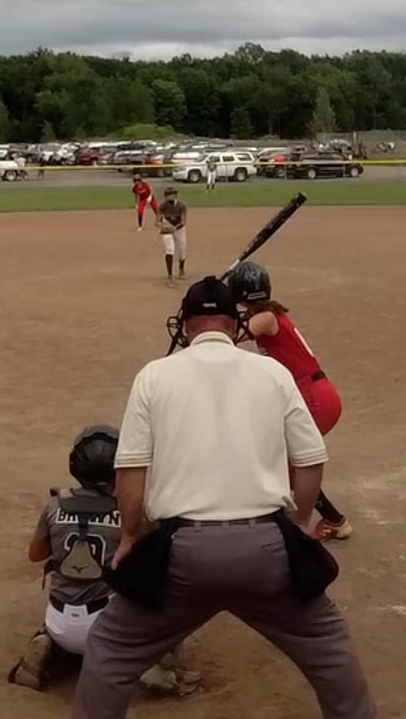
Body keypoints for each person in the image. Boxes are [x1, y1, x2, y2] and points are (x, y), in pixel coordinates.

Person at [70, 277, 377, 719]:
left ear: (186, 325)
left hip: (182, 555)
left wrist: (132, 536)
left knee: (111, 648)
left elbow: (130, 472)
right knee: (328, 646)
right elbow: (311, 460)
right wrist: (296, 525)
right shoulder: (273, 372)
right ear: (235, 326)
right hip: (267, 550)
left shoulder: (154, 374)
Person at [8, 425, 200, 697]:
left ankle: (48, 643)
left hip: (58, 621)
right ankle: (152, 661)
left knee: (68, 610)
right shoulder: (129, 513)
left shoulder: (54, 506)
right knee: (161, 588)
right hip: (108, 626)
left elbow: (35, 555)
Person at [230, 260, 352, 541]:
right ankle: (323, 519)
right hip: (314, 393)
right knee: (284, 460)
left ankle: (328, 521)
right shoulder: (269, 313)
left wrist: (215, 307)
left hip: (314, 397)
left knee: (288, 463)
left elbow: (231, 335)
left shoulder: (266, 318)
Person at [153, 188, 188, 283]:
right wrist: (163, 227)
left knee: (182, 251)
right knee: (169, 249)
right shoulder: (162, 206)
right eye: (168, 195)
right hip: (167, 228)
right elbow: (157, 221)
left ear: (175, 196)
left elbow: (183, 221)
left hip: (179, 229)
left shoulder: (181, 206)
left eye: (171, 195)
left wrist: (174, 228)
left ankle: (181, 269)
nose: (169, 197)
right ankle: (170, 274)